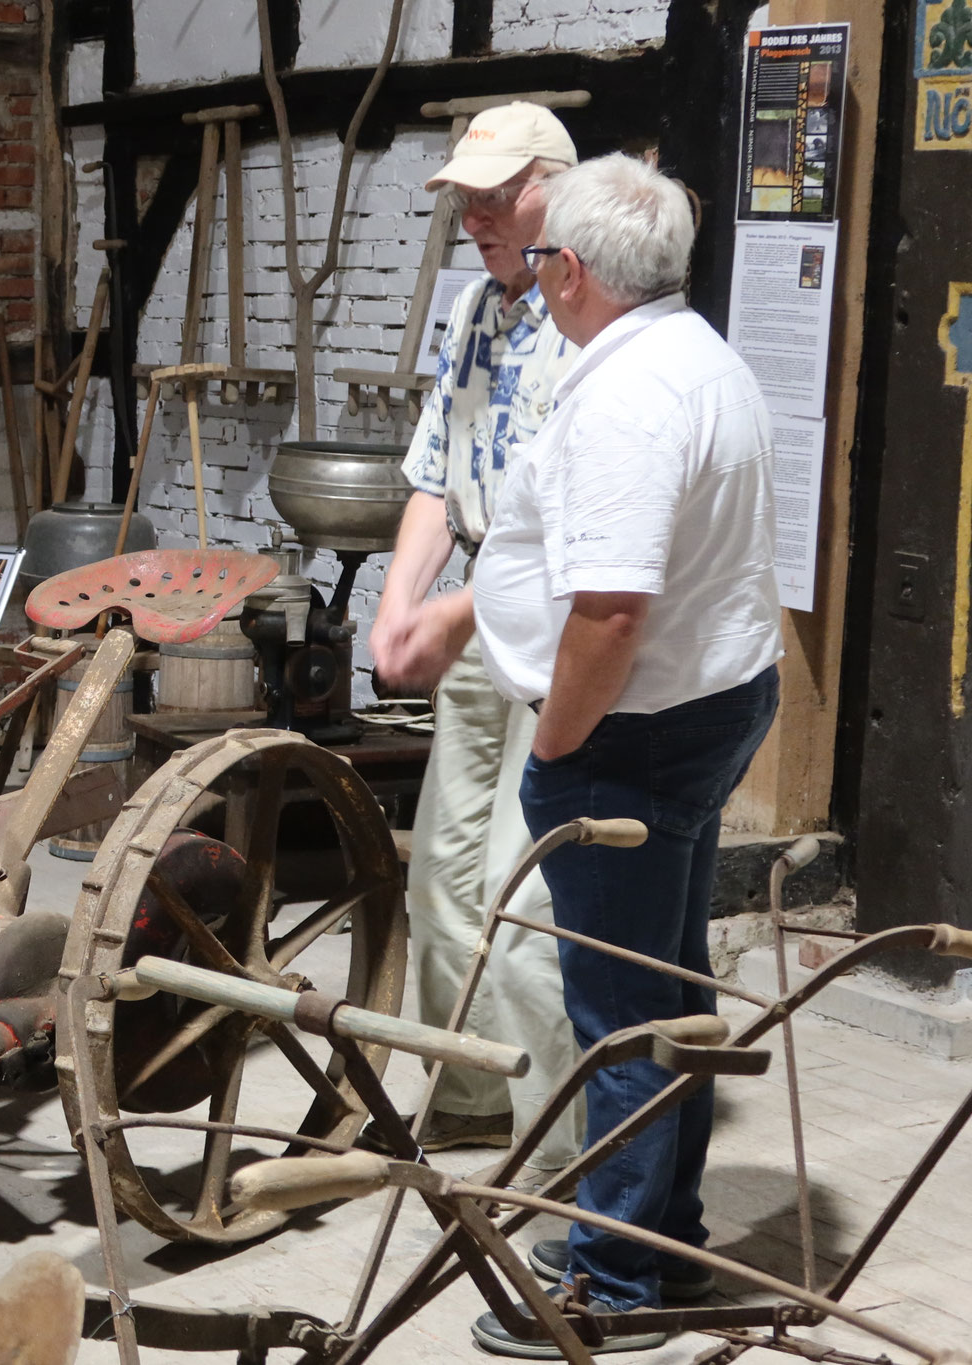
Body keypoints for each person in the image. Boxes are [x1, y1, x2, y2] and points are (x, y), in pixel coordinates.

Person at [459, 153, 784, 1355]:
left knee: (618, 1010)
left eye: (542, 256)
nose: (535, 275)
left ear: (574, 271)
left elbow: (607, 612)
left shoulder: (627, 396)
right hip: (704, 705)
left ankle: (608, 1285)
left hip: (631, 732)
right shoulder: (697, 354)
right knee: (668, 986)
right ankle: (660, 1234)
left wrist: (554, 748)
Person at [367, 100, 584, 1188]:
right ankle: (460, 1103)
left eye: (501, 196)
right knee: (442, 880)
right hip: (474, 627)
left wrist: (446, 614)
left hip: (555, 639)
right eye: (466, 200)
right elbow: (431, 475)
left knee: (521, 889)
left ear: (557, 185)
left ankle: (554, 1152)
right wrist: (398, 600)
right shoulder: (469, 311)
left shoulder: (589, 317)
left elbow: (566, 532)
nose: (480, 219)